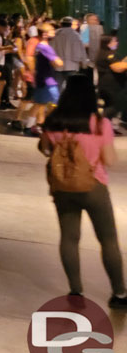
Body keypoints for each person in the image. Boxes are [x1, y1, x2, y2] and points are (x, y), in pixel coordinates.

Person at [39, 74, 126, 308]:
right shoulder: (99, 123)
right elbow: (108, 158)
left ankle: (76, 292)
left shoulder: (54, 120)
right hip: (94, 186)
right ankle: (119, 294)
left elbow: (45, 149)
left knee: (69, 238)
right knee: (108, 240)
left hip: (63, 187)